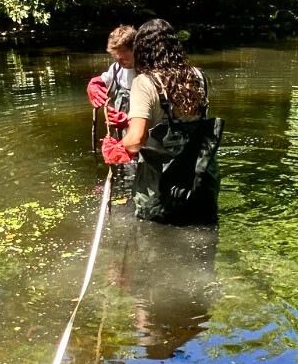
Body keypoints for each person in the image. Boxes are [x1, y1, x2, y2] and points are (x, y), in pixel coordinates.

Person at [100, 19, 223, 224]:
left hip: (160, 188)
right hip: (201, 179)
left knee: (154, 239)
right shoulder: (199, 76)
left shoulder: (144, 83)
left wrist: (118, 147)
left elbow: (135, 140)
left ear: (142, 50)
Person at [87, 25, 137, 138]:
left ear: (135, 48)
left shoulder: (148, 71)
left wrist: (130, 122)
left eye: (123, 53)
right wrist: (93, 84)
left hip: (145, 136)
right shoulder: (116, 69)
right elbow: (103, 80)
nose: (119, 59)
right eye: (115, 56)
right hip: (123, 134)